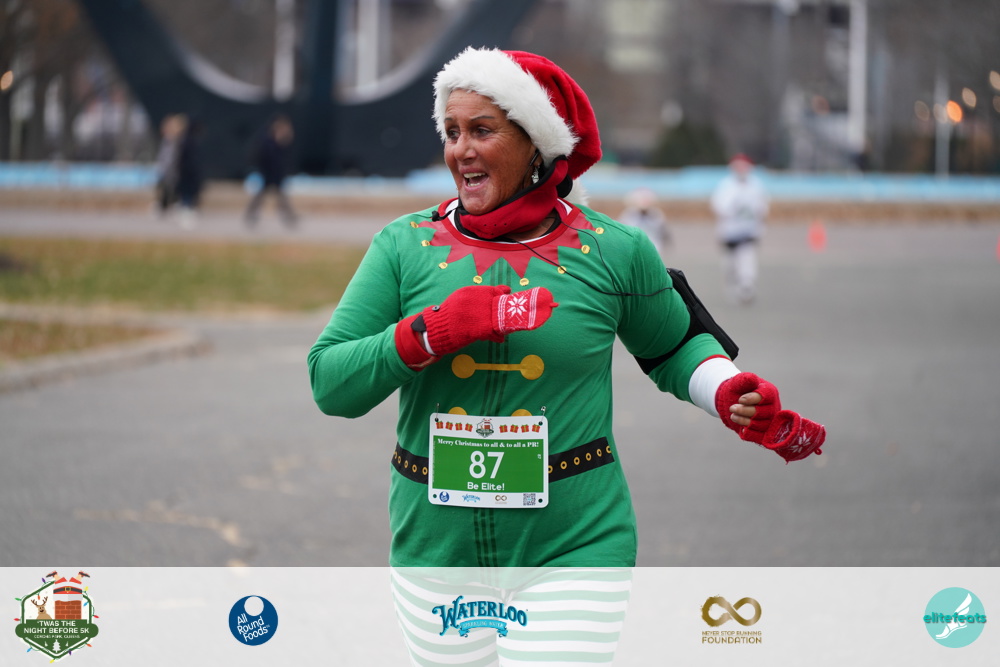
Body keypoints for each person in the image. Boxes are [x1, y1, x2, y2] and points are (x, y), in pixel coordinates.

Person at [309, 48, 824, 571]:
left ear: (538, 144)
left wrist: (725, 391)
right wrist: (428, 333)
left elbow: (674, 346)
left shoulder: (615, 248)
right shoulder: (401, 244)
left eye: (482, 130)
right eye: (452, 131)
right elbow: (330, 384)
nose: (461, 150)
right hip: (434, 552)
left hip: (578, 548)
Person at [710, 153, 769, 304]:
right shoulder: (726, 185)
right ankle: (732, 288)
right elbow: (719, 207)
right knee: (730, 265)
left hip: (748, 232)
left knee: (747, 261)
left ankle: (746, 289)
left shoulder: (756, 185)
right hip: (729, 233)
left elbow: (762, 208)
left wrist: (759, 226)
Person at [244, 114, 298, 227]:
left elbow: (284, 157)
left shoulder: (280, 141)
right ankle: (251, 215)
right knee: (261, 196)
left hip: (276, 173)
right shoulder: (267, 140)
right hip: (267, 172)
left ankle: (290, 217)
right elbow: (263, 156)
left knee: (281, 197)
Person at [152, 113, 186, 218]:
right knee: (164, 189)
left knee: (174, 189)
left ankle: (175, 205)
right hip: (166, 170)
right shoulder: (166, 141)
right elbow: (163, 156)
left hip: (174, 170)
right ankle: (163, 206)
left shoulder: (178, 142)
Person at [619, 186, 670, 255]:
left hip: (654, 247)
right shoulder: (629, 214)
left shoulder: (656, 214)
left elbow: (663, 231)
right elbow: (621, 231)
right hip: (634, 248)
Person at [175, 117, 205, 228]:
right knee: (187, 196)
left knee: (188, 195)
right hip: (188, 173)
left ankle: (186, 212)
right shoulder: (190, 141)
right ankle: (185, 216)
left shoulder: (185, 140)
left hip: (187, 172)